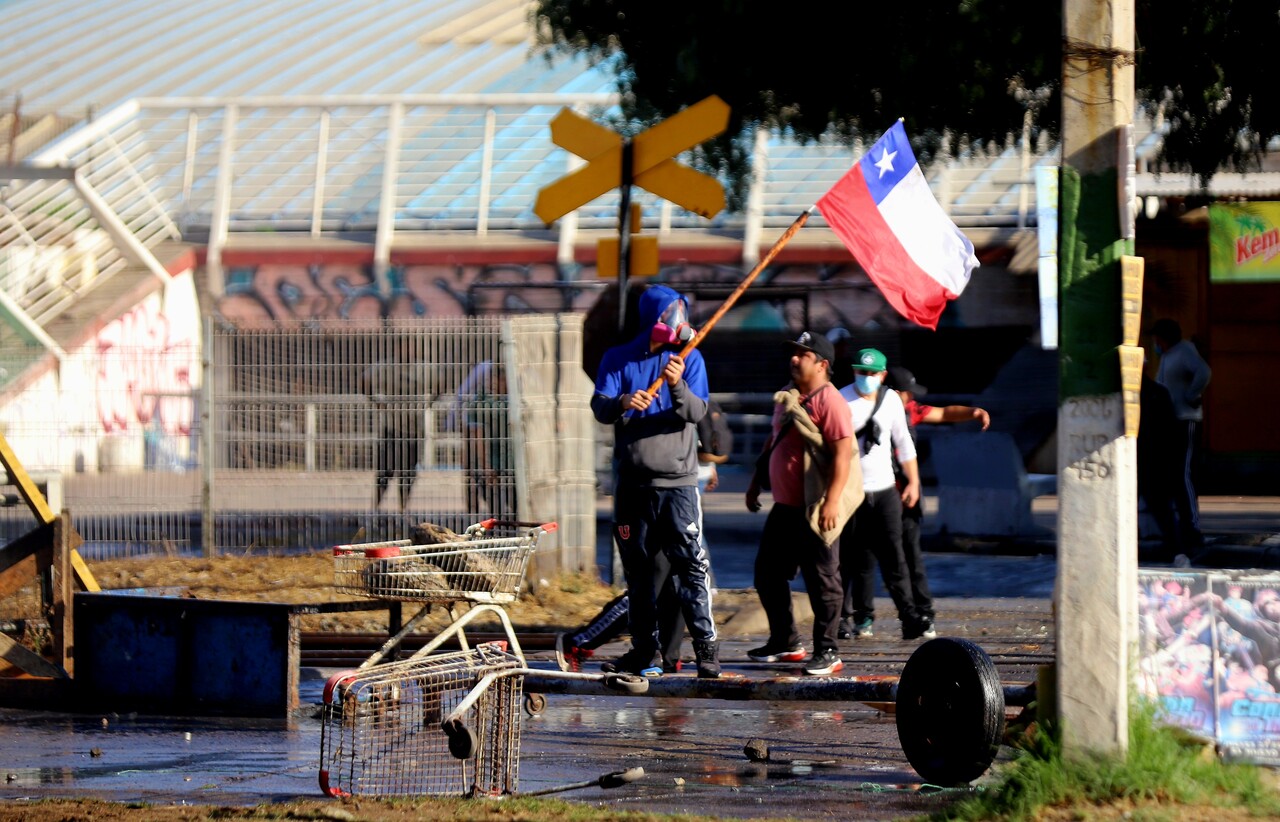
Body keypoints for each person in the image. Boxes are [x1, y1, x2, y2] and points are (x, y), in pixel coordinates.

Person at [591, 284, 720, 679]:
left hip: (678, 484)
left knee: (690, 567)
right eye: (671, 313)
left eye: (680, 312)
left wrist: (677, 384)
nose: (678, 321)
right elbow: (600, 406)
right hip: (633, 485)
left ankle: (706, 651)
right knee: (639, 572)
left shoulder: (688, 358)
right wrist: (623, 403)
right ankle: (646, 651)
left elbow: (698, 411)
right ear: (655, 317)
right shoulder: (618, 359)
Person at [554, 397, 732, 675]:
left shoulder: (691, 392)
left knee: (681, 583)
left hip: (683, 497)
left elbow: (711, 446)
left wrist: (705, 464)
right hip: (652, 493)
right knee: (652, 583)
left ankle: (667, 655)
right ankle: (581, 641)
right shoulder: (648, 392)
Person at [746, 331, 861, 676]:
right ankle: (785, 641)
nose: (794, 359)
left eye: (803, 355)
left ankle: (828, 650)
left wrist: (832, 501)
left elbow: (843, 454)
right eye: (793, 353)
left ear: (822, 365)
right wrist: (756, 481)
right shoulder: (787, 398)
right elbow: (773, 440)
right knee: (767, 574)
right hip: (785, 506)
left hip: (815, 508)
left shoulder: (831, 401)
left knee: (822, 580)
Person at [883, 365, 989, 633]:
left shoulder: (910, 411)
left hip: (906, 494)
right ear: (896, 392)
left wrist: (972, 412)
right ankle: (861, 617)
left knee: (911, 555)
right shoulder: (871, 410)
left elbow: (942, 413)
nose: (913, 398)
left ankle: (923, 613)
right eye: (909, 393)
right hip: (877, 495)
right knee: (867, 559)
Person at [838, 348, 931, 641]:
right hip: (851, 492)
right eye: (861, 372)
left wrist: (914, 482)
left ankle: (909, 616)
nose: (866, 378)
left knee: (895, 556)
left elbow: (904, 444)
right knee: (848, 560)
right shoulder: (840, 399)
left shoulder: (890, 399)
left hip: (885, 490)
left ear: (883, 375)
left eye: (871, 373)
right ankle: (843, 618)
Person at [1151, 319, 1212, 550]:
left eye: (1157, 338)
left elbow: (1204, 372)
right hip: (1172, 422)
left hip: (1186, 420)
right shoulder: (1167, 355)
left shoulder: (1184, 350)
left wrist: (1191, 395)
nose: (1155, 342)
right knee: (1173, 477)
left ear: (1164, 337)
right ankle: (1181, 527)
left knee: (1183, 475)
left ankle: (1192, 527)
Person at [361, 337, 428, 511]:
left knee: (408, 473)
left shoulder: (422, 369)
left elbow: (441, 383)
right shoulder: (385, 367)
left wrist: (428, 402)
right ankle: (374, 509)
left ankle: (403, 509)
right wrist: (376, 401)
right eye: (404, 347)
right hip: (391, 428)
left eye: (411, 347)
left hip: (413, 429)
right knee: (384, 471)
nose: (408, 351)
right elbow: (363, 381)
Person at [1138, 371, 1182, 558]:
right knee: (1161, 508)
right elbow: (1171, 429)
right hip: (1156, 458)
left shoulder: (1125, 394)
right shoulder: (1159, 392)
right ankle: (1176, 549)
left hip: (1140, 456)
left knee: (1128, 505)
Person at [462, 365, 515, 520]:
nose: (494, 383)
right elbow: (477, 435)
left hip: (510, 461)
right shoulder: (481, 402)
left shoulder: (513, 400)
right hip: (488, 460)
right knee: (494, 506)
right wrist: (486, 466)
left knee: (513, 504)